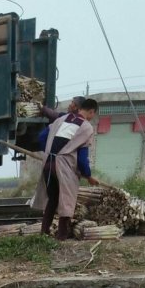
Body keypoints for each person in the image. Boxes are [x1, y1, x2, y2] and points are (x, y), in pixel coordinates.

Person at [33, 98, 99, 241]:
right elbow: (82, 159)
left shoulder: (61, 119)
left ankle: (43, 233)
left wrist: (51, 152)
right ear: (91, 111)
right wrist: (88, 176)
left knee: (53, 199)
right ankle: (61, 236)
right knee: (67, 200)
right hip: (64, 167)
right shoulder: (87, 127)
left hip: (48, 163)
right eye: (93, 114)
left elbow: (41, 138)